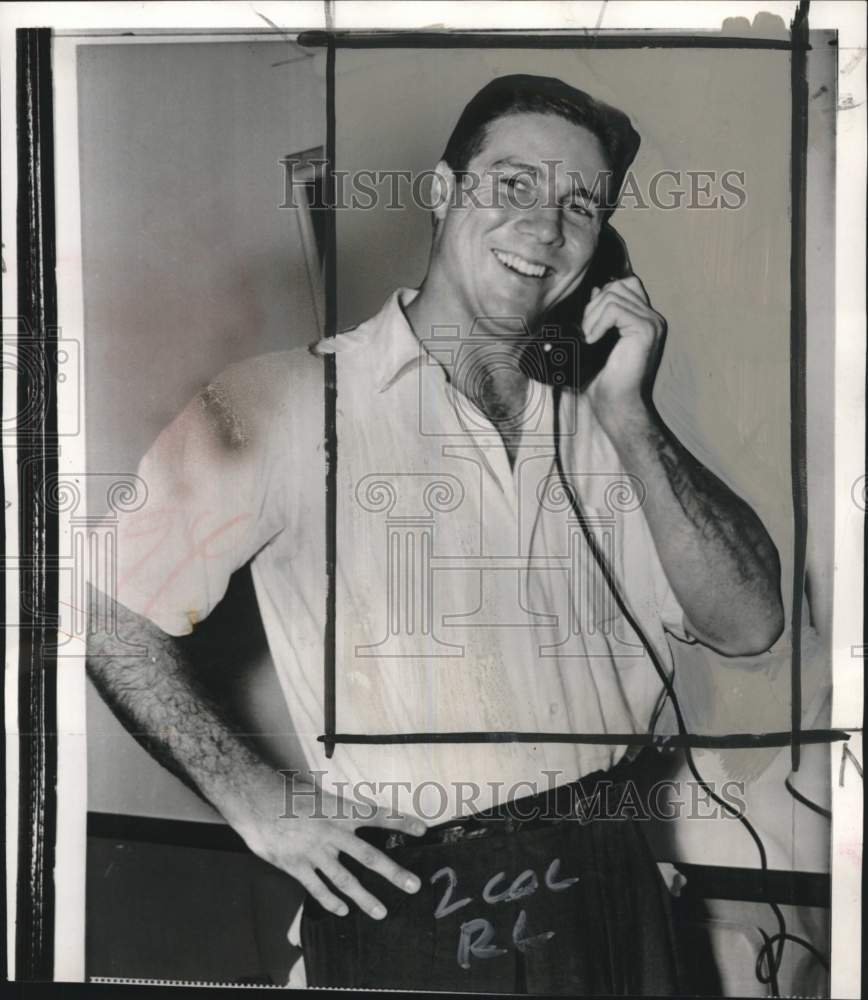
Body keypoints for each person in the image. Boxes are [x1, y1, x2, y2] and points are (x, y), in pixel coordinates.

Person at [87, 74, 784, 994]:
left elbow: (750, 625)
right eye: (514, 185)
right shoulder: (285, 402)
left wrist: (632, 416)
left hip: (612, 882)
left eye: (581, 203)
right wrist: (251, 794)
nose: (546, 227)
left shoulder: (611, 425)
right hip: (416, 901)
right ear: (443, 191)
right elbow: (104, 605)